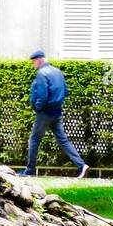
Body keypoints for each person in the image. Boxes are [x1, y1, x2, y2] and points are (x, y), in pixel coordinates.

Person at [17, 51, 89, 179]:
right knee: (63, 141)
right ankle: (82, 165)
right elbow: (65, 91)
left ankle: (30, 170)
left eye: (33, 61)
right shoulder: (58, 72)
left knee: (34, 140)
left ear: (39, 60)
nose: (33, 64)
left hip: (45, 113)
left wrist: (37, 107)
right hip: (57, 112)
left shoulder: (41, 73)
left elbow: (42, 95)